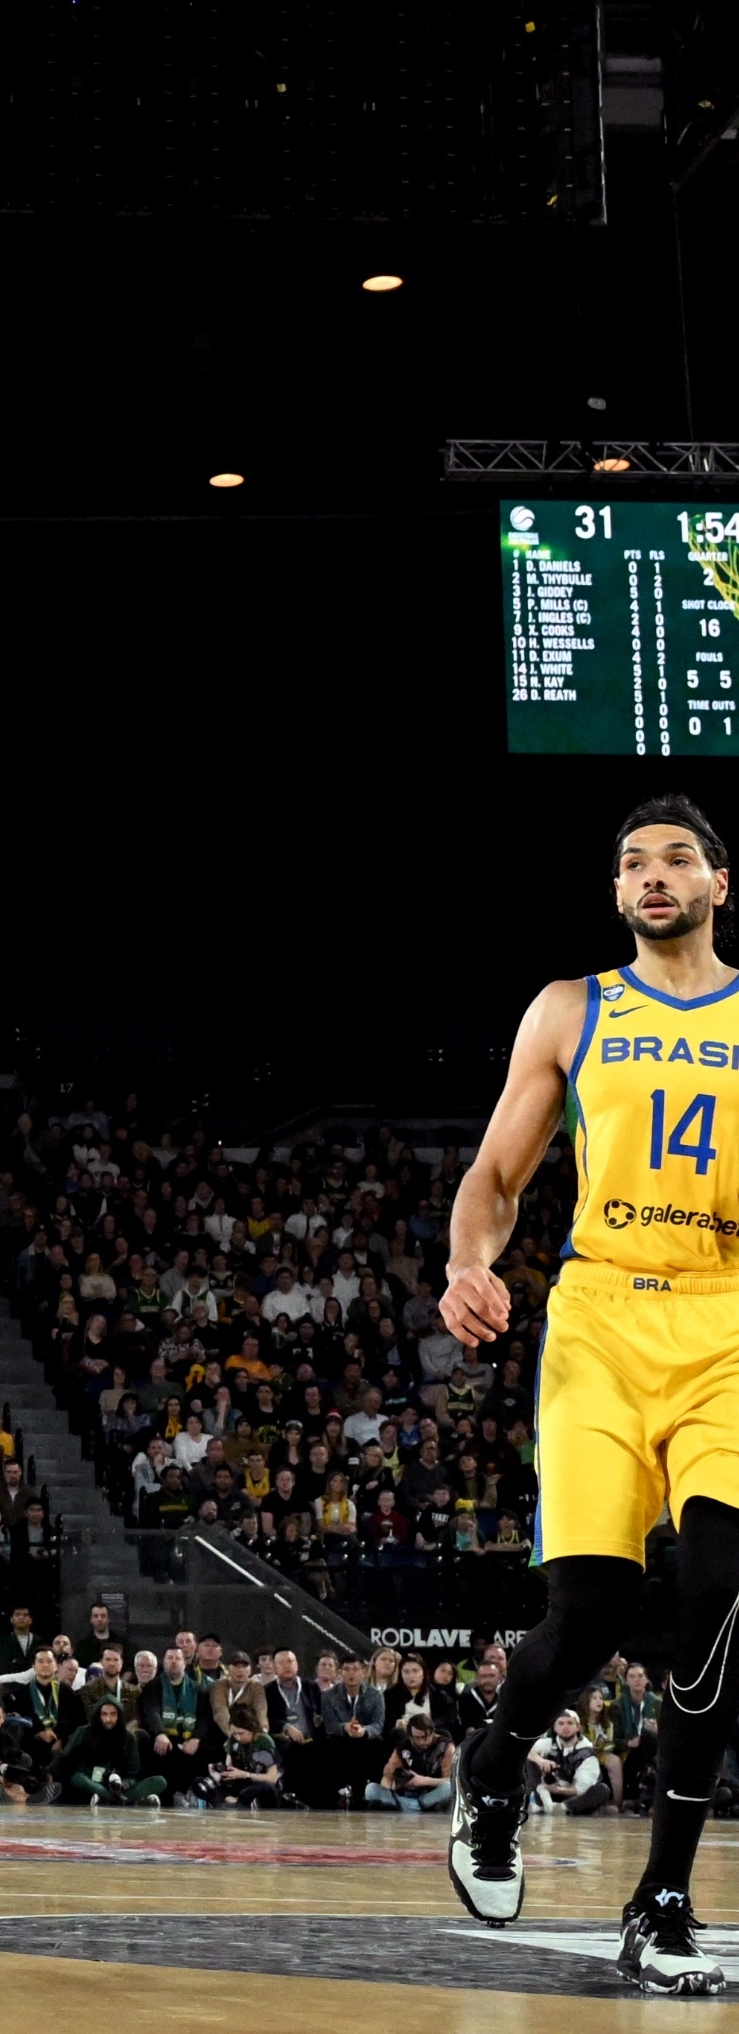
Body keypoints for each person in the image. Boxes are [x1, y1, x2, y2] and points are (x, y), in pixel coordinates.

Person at [441, 796, 739, 1993]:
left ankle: (664, 1896)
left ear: (723, 881)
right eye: (631, 864)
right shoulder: (573, 1008)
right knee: (591, 1617)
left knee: (718, 1595)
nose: (650, 876)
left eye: (675, 859)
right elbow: (496, 1177)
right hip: (602, 1321)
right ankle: (493, 1768)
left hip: (727, 1323)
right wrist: (470, 1262)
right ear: (617, 895)